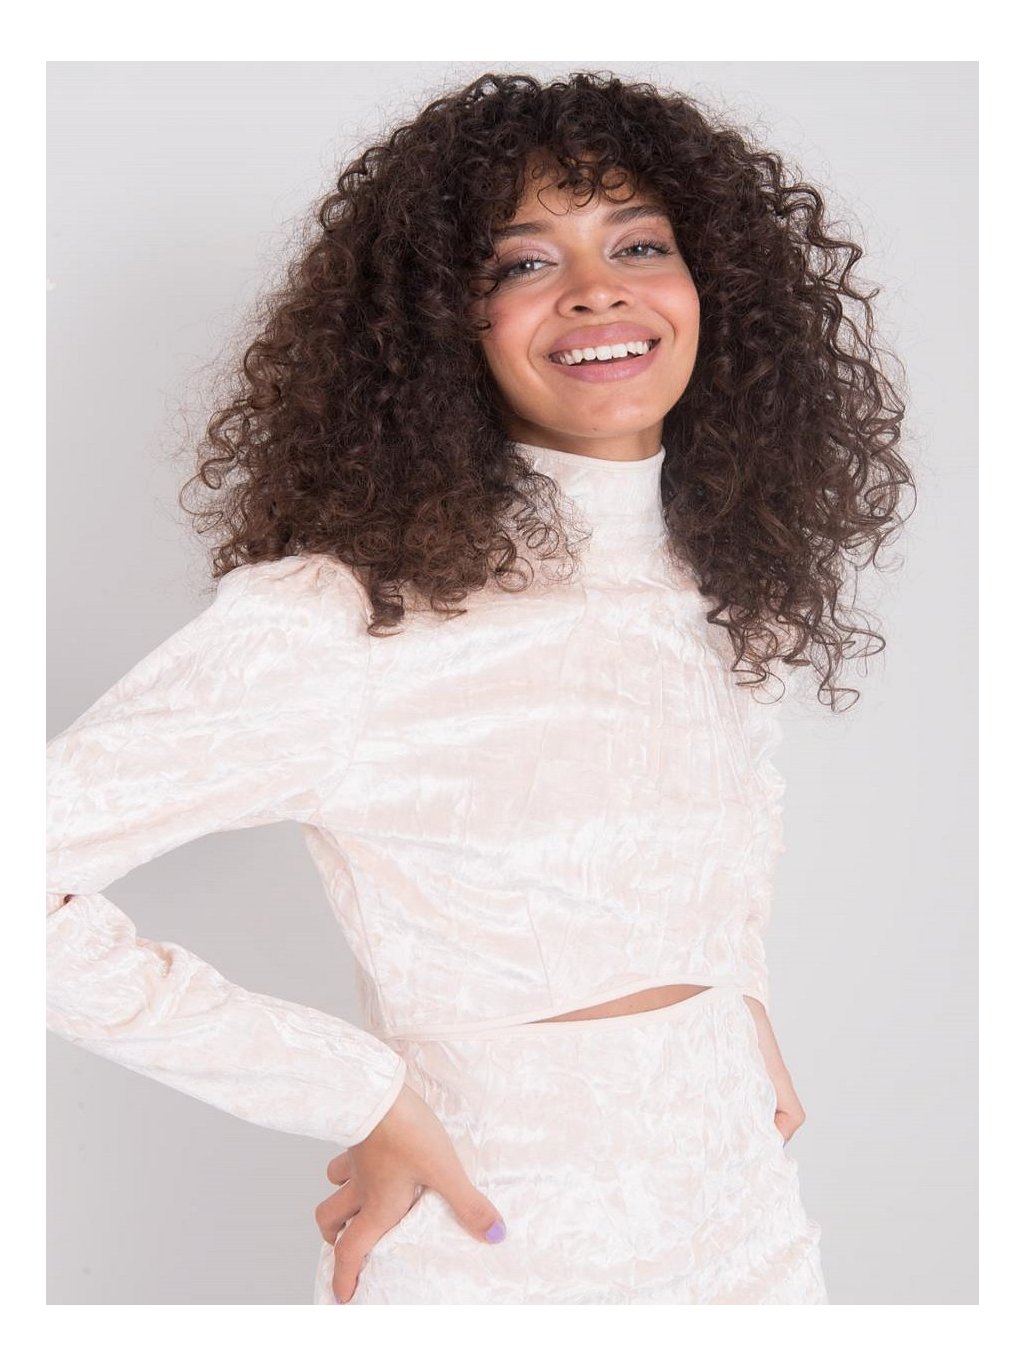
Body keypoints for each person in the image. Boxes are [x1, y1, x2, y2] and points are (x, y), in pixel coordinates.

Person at [46, 70, 912, 1305]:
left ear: (714, 287)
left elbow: (711, 817)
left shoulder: (714, 576)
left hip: (749, 1234)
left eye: (639, 244)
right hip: (496, 1243)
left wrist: (735, 1003)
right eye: (523, 263)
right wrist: (355, 1092)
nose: (596, 287)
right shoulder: (346, 614)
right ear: (441, 326)